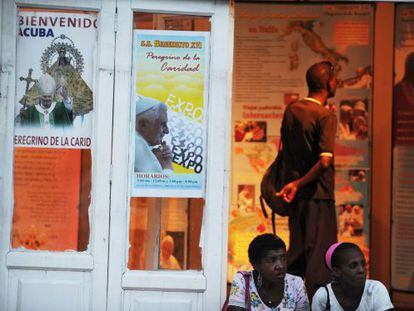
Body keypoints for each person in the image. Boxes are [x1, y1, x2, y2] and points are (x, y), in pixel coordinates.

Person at [276, 61, 338, 298]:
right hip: (318, 196)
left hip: (297, 199)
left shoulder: (292, 110)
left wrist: (293, 184)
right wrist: (300, 183)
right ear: (328, 83)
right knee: (320, 262)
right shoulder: (325, 116)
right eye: (335, 78)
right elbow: (324, 162)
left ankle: (287, 302)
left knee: (297, 257)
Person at [227, 233, 309, 310]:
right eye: (272, 260)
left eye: (283, 258)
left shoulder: (296, 284)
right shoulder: (243, 281)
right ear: (255, 264)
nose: (280, 266)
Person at [312, 242, 394, 310]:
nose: (361, 270)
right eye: (353, 266)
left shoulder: (375, 290)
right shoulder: (324, 297)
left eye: (363, 264)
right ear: (336, 271)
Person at [134, 96, 173, 173]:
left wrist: (153, 157)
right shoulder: (138, 144)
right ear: (143, 124)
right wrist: (166, 165)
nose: (166, 131)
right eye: (162, 124)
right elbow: (163, 184)